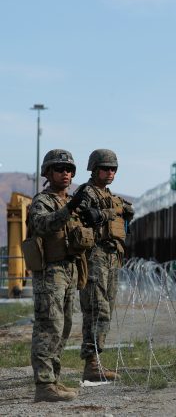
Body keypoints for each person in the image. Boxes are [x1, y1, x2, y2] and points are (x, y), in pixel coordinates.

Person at [27, 149, 90, 401]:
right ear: (48, 173)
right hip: (50, 272)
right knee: (48, 326)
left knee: (63, 327)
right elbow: (43, 225)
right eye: (59, 169)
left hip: (70, 269)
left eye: (69, 170)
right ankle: (43, 385)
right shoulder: (43, 200)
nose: (65, 173)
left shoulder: (70, 201)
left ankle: (54, 378)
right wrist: (70, 208)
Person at [77, 149, 134, 381]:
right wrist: (115, 211)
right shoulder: (86, 193)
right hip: (94, 257)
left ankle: (96, 361)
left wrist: (122, 210)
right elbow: (84, 217)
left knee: (106, 310)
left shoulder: (110, 195)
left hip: (112, 257)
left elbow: (122, 215)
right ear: (94, 168)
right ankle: (91, 364)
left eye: (114, 169)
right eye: (106, 168)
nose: (110, 173)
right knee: (95, 309)